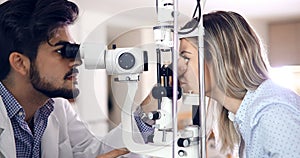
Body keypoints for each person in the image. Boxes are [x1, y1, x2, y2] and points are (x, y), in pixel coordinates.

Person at [0, 0, 133, 157]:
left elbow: (93, 151)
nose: (77, 61)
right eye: (61, 51)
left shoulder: (56, 106)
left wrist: (148, 112)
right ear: (20, 63)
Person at [177, 11, 300, 157]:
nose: (178, 69)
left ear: (217, 58)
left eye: (185, 58)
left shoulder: (272, 114)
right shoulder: (244, 115)